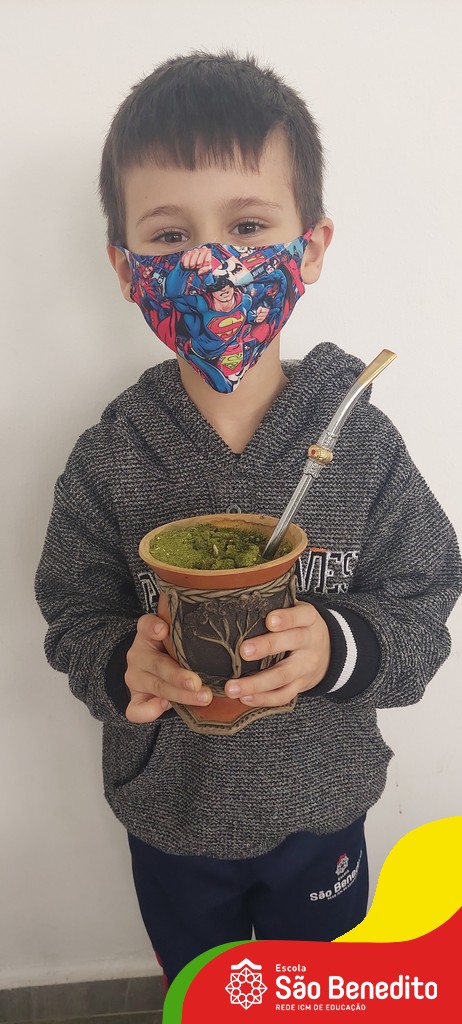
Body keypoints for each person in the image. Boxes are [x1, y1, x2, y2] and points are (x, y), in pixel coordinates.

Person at [34, 51, 462, 987]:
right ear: (127, 269)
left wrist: (340, 646)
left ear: (309, 248)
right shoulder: (111, 455)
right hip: (171, 820)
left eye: (248, 226)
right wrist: (121, 662)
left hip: (324, 812)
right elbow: (71, 609)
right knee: (204, 995)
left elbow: (426, 593)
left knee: (318, 996)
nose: (210, 263)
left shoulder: (359, 438)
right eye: (170, 234)